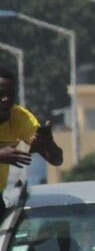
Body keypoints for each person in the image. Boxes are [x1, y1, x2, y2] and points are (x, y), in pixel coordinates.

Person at [0, 65, 62, 220]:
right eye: (1, 94)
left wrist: (48, 143)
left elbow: (56, 159)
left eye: (10, 94)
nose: (6, 99)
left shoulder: (20, 118)